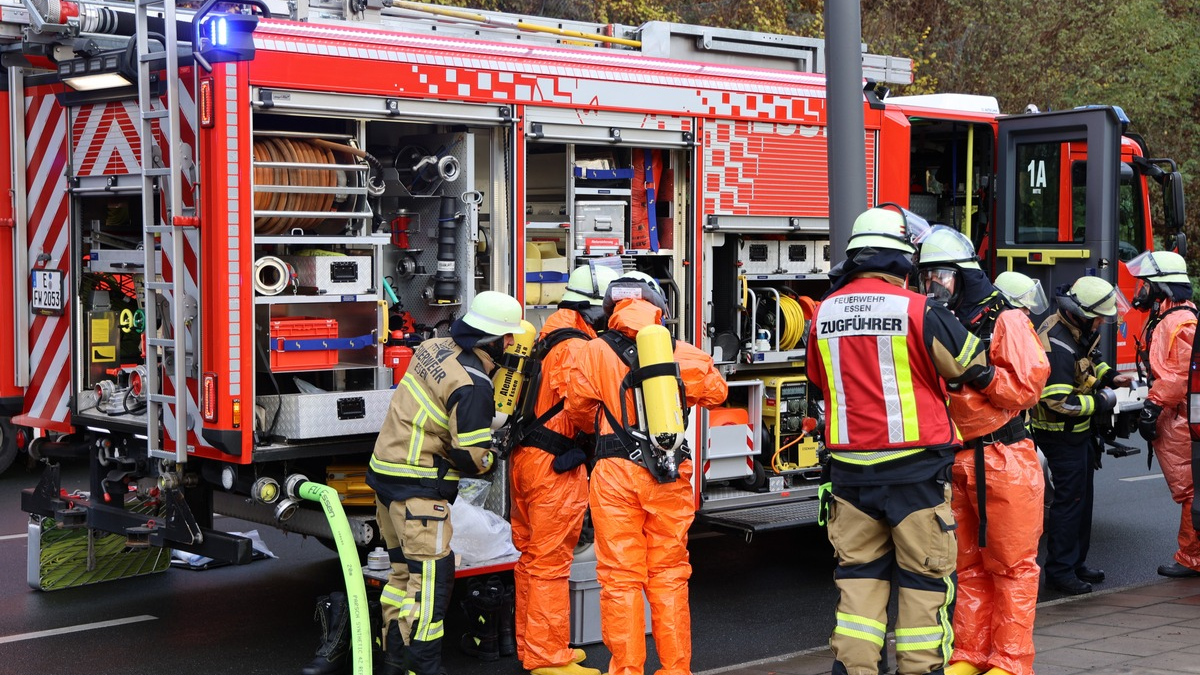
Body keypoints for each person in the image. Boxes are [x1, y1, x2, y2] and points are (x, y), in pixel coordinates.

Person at [807, 206, 996, 675]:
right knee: (924, 586)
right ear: (903, 260)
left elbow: (817, 381)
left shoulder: (824, 314)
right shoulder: (919, 309)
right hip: (915, 475)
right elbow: (973, 365)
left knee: (858, 585)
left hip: (850, 478)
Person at [565, 272, 727, 675]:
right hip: (668, 472)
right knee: (669, 573)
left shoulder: (592, 351)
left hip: (615, 473)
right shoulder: (681, 352)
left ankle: (626, 670)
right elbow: (717, 392)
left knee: (620, 579)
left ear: (611, 309)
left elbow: (578, 412)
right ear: (658, 306)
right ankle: (675, 669)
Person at [366, 290, 525, 675]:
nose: (511, 346)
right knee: (429, 590)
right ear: (498, 340)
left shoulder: (434, 346)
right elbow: (471, 456)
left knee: (401, 577)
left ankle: (393, 662)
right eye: (509, 339)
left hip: (387, 478)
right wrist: (493, 454)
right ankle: (421, 668)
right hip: (419, 491)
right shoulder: (472, 386)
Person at [916, 232, 1050, 675]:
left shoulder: (1005, 318)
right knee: (968, 566)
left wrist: (981, 374)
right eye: (927, 276)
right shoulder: (942, 317)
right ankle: (971, 654)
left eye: (940, 275)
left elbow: (1026, 388)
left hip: (1004, 454)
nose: (933, 284)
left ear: (963, 275)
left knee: (1011, 566)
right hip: (959, 456)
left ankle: (1010, 661)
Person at [509, 263, 618, 675]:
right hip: (554, 468)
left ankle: (532, 645)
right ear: (592, 310)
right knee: (551, 564)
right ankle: (548, 658)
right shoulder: (577, 349)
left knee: (532, 558)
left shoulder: (547, 334)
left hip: (527, 460)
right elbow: (582, 410)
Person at [1032, 276, 1134, 595]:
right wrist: (1103, 400)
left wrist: (1111, 377)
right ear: (1082, 313)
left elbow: (1090, 363)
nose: (1103, 321)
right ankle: (1060, 571)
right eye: (1100, 316)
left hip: (1078, 434)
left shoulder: (1075, 329)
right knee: (1068, 503)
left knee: (1082, 501)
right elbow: (1057, 400)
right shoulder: (1057, 344)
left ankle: (1075, 563)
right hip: (1060, 435)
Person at [1127, 250, 1200, 578]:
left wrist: (1153, 406)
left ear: (1163, 288)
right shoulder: (1174, 317)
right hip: (1177, 413)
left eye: (1147, 284)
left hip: (1178, 416)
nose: (1142, 290)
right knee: (1190, 489)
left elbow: (1179, 374)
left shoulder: (1179, 321)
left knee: (1189, 490)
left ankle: (1191, 557)